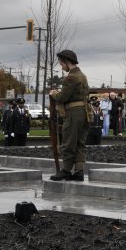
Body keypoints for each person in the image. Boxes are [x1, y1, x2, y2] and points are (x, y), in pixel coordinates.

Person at [49, 49, 90, 181]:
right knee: (80, 143)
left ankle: (66, 170)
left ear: (67, 62)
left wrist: (53, 94)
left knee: (68, 141)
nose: (62, 67)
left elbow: (62, 97)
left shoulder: (71, 77)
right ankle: (78, 171)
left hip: (73, 113)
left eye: (62, 64)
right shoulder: (82, 75)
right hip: (84, 113)